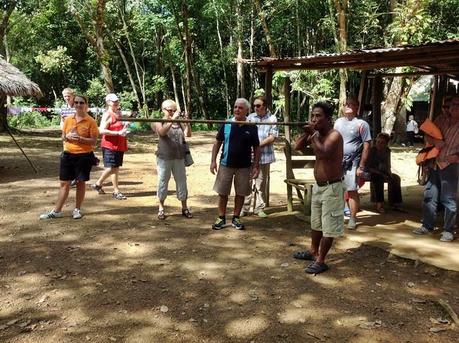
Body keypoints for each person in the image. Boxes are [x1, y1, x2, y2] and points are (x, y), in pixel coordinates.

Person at [292, 102, 344, 274]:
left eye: (318, 116)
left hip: (333, 187)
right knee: (316, 223)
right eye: (312, 116)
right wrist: (305, 133)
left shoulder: (334, 135)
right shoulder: (315, 134)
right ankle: (313, 251)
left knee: (329, 226)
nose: (314, 119)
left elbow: (324, 153)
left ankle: (321, 260)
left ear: (328, 119)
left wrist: (313, 135)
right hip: (319, 186)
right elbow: (297, 147)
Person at [40, 95, 99, 220]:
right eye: (76, 102)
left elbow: (93, 142)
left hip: (84, 156)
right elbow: (63, 137)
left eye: (81, 102)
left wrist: (80, 139)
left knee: (80, 183)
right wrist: (67, 136)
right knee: (64, 183)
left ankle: (77, 209)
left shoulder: (91, 121)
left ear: (86, 104)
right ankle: (56, 211)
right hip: (67, 154)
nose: (78, 105)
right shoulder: (68, 119)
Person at [413, 95, 459, 242]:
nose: (454, 107)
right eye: (452, 104)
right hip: (435, 163)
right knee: (429, 195)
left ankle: (448, 230)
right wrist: (435, 141)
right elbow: (428, 136)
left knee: (448, 198)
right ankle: (427, 225)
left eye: (457, 104)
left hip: (451, 165)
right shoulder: (440, 119)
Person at [210, 98, 260, 230]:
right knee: (222, 192)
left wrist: (256, 166)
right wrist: (213, 161)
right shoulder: (227, 124)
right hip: (226, 164)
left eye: (240, 108)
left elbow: (256, 147)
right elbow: (217, 142)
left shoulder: (251, 126)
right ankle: (221, 218)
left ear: (246, 111)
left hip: (244, 166)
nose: (237, 110)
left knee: (241, 193)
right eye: (235, 107)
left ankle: (236, 218)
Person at [334, 97, 371, 230]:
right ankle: (338, 216)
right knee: (337, 190)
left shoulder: (362, 124)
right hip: (338, 162)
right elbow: (333, 140)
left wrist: (361, 166)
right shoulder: (338, 122)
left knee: (352, 190)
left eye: (351, 104)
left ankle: (353, 218)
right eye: (346, 104)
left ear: (357, 107)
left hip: (352, 162)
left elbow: (367, 146)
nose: (348, 106)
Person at [152, 99, 192, 220]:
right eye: (170, 110)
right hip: (164, 158)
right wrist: (172, 119)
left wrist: (187, 123)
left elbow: (188, 134)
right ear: (163, 110)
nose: (172, 112)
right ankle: (161, 208)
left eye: (174, 110)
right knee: (163, 181)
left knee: (182, 182)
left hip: (179, 157)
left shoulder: (178, 122)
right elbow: (162, 132)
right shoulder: (158, 121)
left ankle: (184, 207)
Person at [242, 96, 278, 218]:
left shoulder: (272, 118)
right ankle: (244, 208)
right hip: (248, 155)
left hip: (265, 156)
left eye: (258, 105)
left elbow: (272, 137)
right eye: (254, 106)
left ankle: (259, 208)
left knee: (261, 183)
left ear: (265, 106)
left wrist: (257, 145)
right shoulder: (250, 118)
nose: (256, 108)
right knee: (247, 182)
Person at [91, 93, 129, 200]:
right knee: (112, 167)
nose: (116, 103)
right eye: (113, 101)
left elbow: (119, 127)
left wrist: (125, 127)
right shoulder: (107, 114)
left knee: (115, 168)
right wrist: (118, 133)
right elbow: (101, 130)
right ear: (108, 102)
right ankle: (108, 187)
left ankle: (107, 187)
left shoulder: (119, 113)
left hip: (119, 144)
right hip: (110, 145)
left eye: (117, 101)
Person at [367, 133, 402, 213]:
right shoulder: (372, 150)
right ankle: (379, 203)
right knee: (377, 178)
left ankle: (395, 202)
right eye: (378, 142)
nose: (379, 144)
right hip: (371, 171)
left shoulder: (387, 151)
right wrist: (382, 174)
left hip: (382, 171)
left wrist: (389, 174)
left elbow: (388, 164)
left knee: (395, 178)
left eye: (382, 142)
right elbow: (368, 167)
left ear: (386, 144)